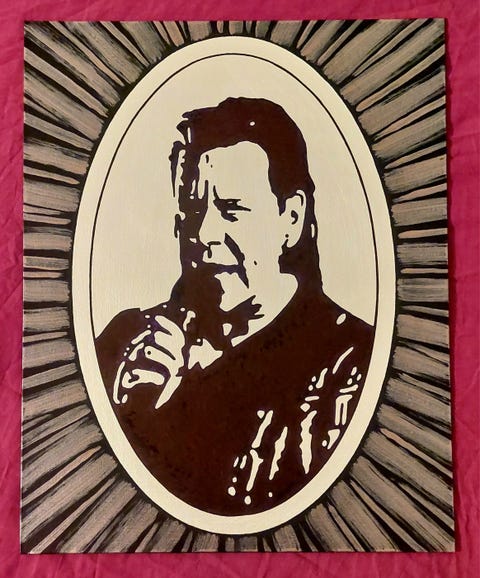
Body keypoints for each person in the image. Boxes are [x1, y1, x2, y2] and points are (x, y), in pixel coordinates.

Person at [95, 97, 374, 515]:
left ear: (291, 219)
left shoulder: (351, 364)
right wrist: (125, 415)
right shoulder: (124, 344)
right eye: (193, 209)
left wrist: (168, 420)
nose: (205, 232)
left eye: (231, 210)